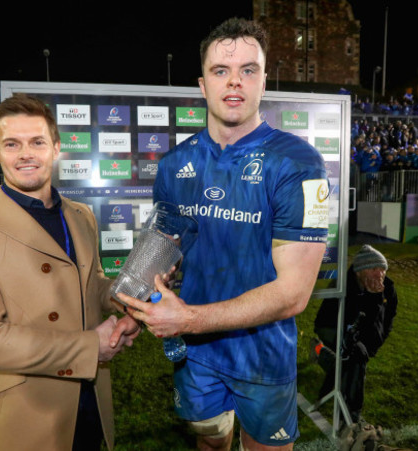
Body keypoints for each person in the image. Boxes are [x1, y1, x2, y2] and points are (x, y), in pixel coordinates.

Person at [118, 18, 329, 450]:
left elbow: (293, 294)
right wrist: (137, 290)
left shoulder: (299, 163)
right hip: (195, 357)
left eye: (248, 70)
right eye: (221, 71)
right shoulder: (175, 164)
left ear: (264, 81)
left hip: (264, 357)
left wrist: (188, 319)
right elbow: (163, 252)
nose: (235, 82)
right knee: (210, 444)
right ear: (202, 84)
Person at [0, 93, 140, 450]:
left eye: (37, 142)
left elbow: (91, 286)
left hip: (90, 403)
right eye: (12, 144)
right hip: (25, 415)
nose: (26, 154)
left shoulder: (82, 216)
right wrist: (92, 346)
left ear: (57, 148)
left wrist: (130, 293)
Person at [310, 245, 397, 425]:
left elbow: (384, 325)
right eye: (374, 269)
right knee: (355, 356)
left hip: (358, 334)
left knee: (352, 360)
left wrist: (376, 300)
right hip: (331, 326)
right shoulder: (343, 284)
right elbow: (345, 323)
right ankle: (352, 414)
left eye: (382, 269)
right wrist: (371, 300)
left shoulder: (387, 289)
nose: (380, 274)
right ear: (359, 272)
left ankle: (320, 352)